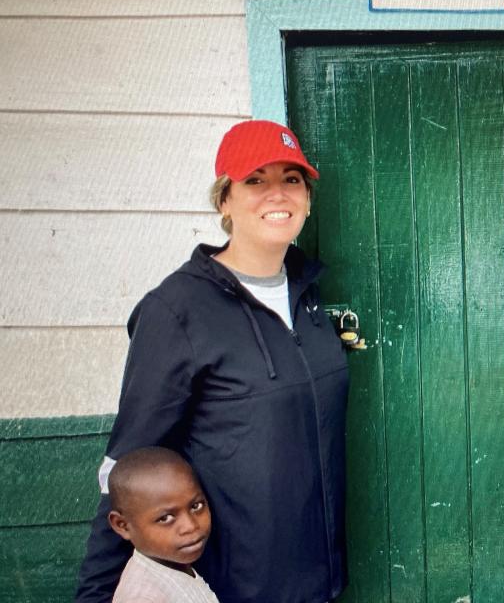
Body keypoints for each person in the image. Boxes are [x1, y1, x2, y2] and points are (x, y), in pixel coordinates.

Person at [76, 120, 350, 603]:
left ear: (307, 198)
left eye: (291, 179)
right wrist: (96, 595)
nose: (277, 194)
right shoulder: (176, 310)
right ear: (224, 200)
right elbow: (128, 464)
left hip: (316, 578)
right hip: (233, 585)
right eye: (255, 180)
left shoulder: (308, 295)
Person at [106, 447, 219, 603]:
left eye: (196, 506)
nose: (191, 526)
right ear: (123, 525)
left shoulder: (175, 565)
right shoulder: (142, 598)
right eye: (166, 518)